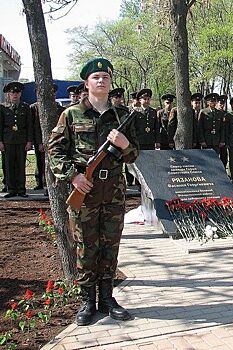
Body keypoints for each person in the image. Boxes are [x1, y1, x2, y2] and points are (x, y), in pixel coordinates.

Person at [48, 57, 139, 325]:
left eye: (106, 77)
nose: (101, 81)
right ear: (87, 83)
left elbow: (134, 156)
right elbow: (55, 150)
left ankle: (108, 298)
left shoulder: (122, 117)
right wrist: (73, 177)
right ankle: (88, 301)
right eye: (96, 77)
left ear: (111, 83)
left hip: (113, 191)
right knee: (86, 247)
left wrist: (124, 144)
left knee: (110, 245)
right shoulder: (71, 114)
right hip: (85, 191)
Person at [0, 82, 33, 198]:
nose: (15, 95)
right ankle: (11, 189)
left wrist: (29, 141)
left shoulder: (25, 107)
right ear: (8, 94)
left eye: (17, 92)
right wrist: (0, 142)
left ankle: (21, 189)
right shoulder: (3, 107)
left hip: (21, 140)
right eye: (12, 92)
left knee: (20, 165)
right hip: (7, 140)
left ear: (20, 94)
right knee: (8, 166)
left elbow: (29, 125)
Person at [30, 83, 65, 194]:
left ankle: (49, 185)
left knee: (54, 163)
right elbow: (34, 126)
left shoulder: (60, 108)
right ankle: (40, 182)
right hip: (40, 140)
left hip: (56, 141)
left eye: (53, 93)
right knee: (40, 162)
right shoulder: (34, 107)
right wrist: (38, 142)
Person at [217, 94, 229, 168]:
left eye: (223, 103)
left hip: (224, 139)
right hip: (215, 139)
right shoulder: (215, 113)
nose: (222, 105)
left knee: (224, 158)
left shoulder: (226, 114)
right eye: (220, 103)